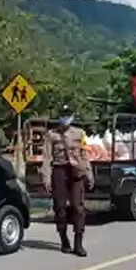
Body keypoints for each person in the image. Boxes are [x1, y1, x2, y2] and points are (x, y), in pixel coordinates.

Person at [41, 105, 94, 257]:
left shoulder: (80, 133)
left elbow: (85, 154)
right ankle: (64, 238)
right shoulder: (51, 135)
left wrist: (89, 173)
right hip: (59, 171)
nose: (65, 118)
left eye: (68, 114)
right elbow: (47, 158)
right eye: (63, 114)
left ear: (72, 116)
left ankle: (78, 243)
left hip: (76, 171)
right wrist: (46, 177)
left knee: (78, 207)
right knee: (60, 208)